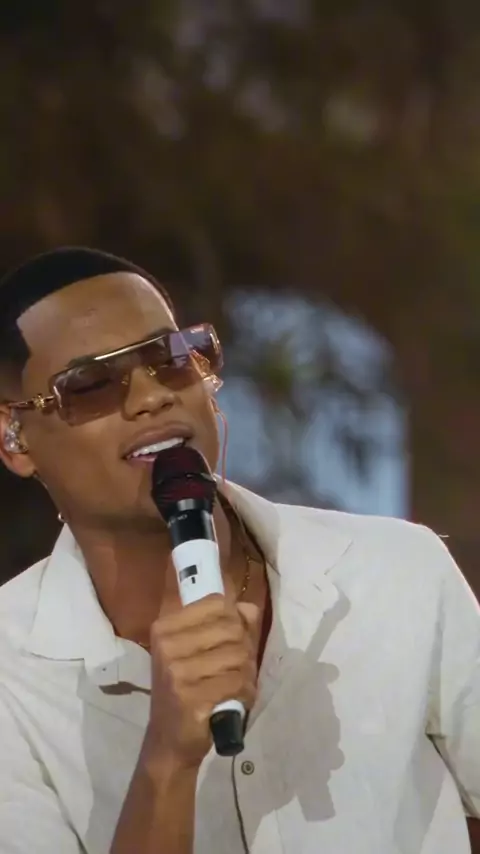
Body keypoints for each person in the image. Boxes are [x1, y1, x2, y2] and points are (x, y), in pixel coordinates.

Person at [0, 246, 478, 854]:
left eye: (171, 358)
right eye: (90, 385)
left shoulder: (398, 573)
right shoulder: (10, 680)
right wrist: (168, 760)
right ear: (14, 438)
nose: (151, 396)